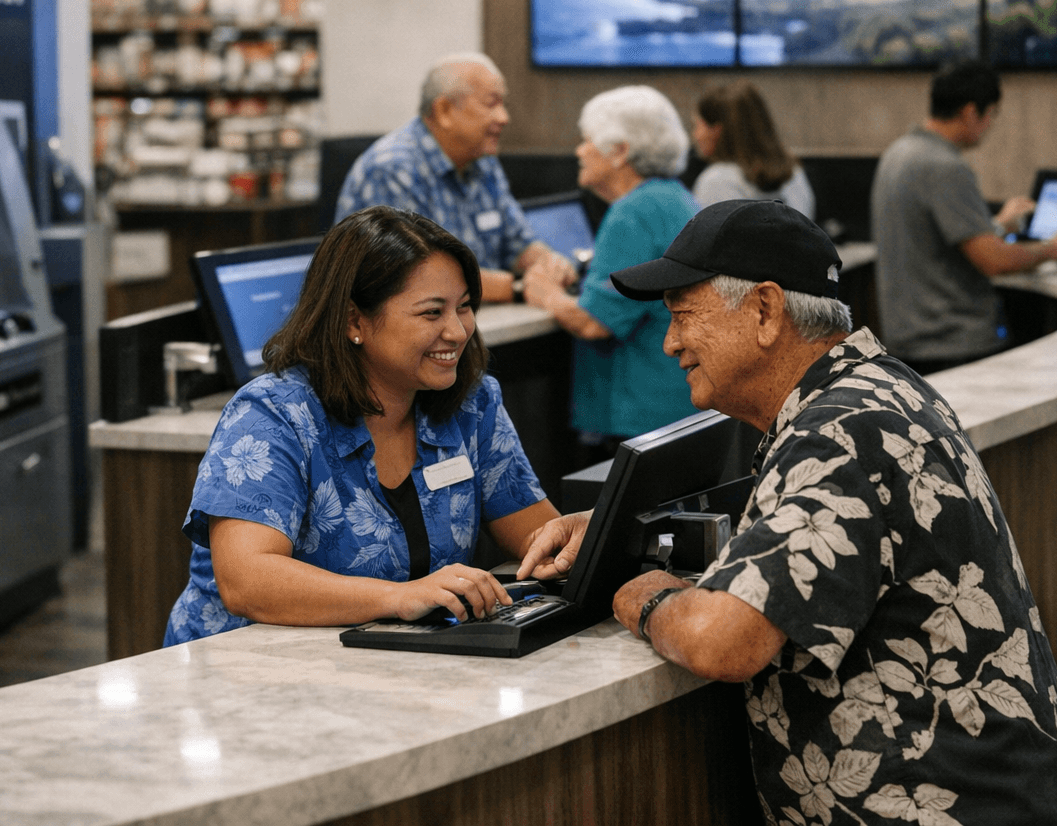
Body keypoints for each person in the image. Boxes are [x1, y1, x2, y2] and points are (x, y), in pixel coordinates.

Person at [518, 199, 1057, 823]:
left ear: (766, 311)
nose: (670, 343)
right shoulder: (872, 388)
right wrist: (611, 532)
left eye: (684, 316)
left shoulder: (839, 433)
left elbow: (724, 643)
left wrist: (644, 597)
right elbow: (810, 544)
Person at [164, 206, 562, 645]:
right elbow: (247, 581)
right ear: (355, 321)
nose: (457, 331)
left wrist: (577, 536)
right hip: (243, 672)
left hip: (379, 667)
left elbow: (538, 540)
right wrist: (398, 597)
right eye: (432, 313)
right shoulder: (274, 414)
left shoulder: (472, 402)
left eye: (464, 307)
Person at [871, 60, 1057, 373]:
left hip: (910, 341)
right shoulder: (945, 167)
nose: (990, 125)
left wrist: (998, 225)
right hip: (953, 345)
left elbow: (934, 244)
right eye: (991, 114)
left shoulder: (899, 153)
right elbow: (994, 262)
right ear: (972, 112)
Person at [521, 85, 699, 445]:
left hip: (638, 415)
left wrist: (546, 292)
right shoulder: (674, 197)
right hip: (679, 405)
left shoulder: (633, 212)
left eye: (587, 140)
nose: (579, 151)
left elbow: (593, 323)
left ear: (619, 152)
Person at [334, 53, 577, 303]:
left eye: (504, 105)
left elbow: (518, 243)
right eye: (491, 104)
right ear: (444, 110)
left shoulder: (484, 162)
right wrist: (517, 288)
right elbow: (416, 277)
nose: (504, 118)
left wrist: (551, 266)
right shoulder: (391, 170)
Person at [690, 80, 815, 219]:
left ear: (716, 131)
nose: (695, 135)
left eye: (697, 125)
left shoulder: (714, 182)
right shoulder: (794, 174)